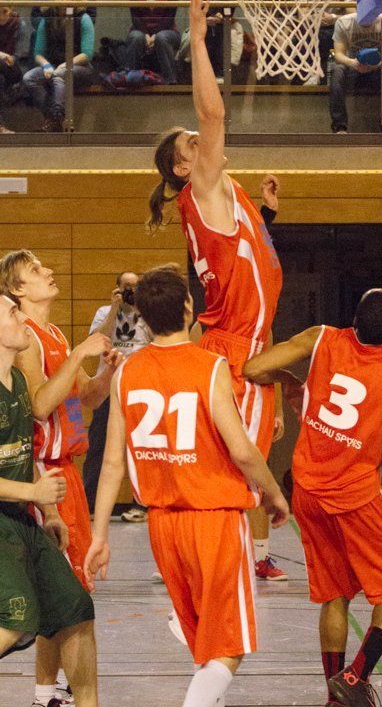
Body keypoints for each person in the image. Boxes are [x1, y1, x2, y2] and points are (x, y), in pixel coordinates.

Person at [84, 264, 289, 707]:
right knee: (228, 647)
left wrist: (99, 534)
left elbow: (113, 463)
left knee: (205, 646)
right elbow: (242, 450)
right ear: (189, 309)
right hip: (213, 520)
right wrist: (274, 493)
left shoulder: (126, 373)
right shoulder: (210, 367)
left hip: (163, 527)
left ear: (142, 317)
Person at [148, 0, 287, 581]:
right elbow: (213, 112)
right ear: (185, 164)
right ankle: (207, 564)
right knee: (237, 472)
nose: (203, 142)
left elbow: (247, 267)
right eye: (192, 144)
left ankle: (221, 559)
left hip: (247, 342)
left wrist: (268, 216)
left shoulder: (226, 195)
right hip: (237, 349)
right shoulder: (201, 187)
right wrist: (201, 40)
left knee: (240, 468)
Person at [244, 289, 382, 707]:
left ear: (353, 320)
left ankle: (335, 699)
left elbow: (254, 368)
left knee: (335, 595)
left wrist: (293, 384)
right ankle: (356, 676)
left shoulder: (322, 337)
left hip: (308, 492)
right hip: (355, 496)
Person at [0, 249, 120, 707]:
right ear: (17, 290)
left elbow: (84, 397)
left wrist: (106, 371)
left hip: (60, 472)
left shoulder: (52, 335)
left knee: (65, 601)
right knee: (60, 603)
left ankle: (48, 695)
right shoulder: (27, 340)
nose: (48, 271)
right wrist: (78, 356)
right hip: (40, 475)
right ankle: (53, 694)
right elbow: (40, 406)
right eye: (36, 270)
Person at [83, 271, 151, 517]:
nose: (131, 291)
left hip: (140, 387)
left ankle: (141, 504)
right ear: (118, 289)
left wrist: (143, 310)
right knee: (98, 444)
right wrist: (115, 309)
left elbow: (159, 341)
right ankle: (89, 504)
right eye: (127, 287)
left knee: (141, 445)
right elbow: (95, 341)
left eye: (135, 287)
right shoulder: (105, 311)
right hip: (109, 386)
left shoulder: (148, 313)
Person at [23, 0, 94, 132]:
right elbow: (38, 53)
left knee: (60, 74)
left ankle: (55, 118)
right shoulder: (46, 19)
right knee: (29, 78)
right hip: (53, 66)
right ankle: (55, 117)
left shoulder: (84, 18)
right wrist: (46, 65)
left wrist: (66, 64)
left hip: (80, 68)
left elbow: (87, 54)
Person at [328, 10, 382, 133]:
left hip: (377, 68)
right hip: (353, 67)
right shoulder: (344, 22)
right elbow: (338, 55)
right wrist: (353, 63)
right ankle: (340, 126)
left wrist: (374, 65)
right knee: (337, 70)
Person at [126, 0, 181, 84]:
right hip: (140, 29)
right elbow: (134, 15)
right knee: (136, 37)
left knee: (162, 38)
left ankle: (170, 81)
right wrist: (146, 34)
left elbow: (170, 16)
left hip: (168, 30)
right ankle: (129, 81)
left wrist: (154, 35)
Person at [296, 0, 356, 85]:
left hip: (334, 28)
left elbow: (353, 16)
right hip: (313, 28)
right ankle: (310, 74)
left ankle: (328, 75)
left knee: (337, 32)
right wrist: (314, 18)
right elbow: (302, 16)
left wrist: (333, 17)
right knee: (302, 32)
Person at [198, 0, 234, 82]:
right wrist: (205, 19)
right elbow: (195, 12)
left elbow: (230, 12)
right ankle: (205, 73)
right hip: (204, 25)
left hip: (223, 26)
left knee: (220, 31)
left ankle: (220, 73)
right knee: (206, 31)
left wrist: (222, 17)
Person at [0, 0, 26, 134]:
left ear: (11, 10)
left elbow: (19, 54)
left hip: (13, 68)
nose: (1, 15)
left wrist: (6, 58)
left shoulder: (19, 24)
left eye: (4, 11)